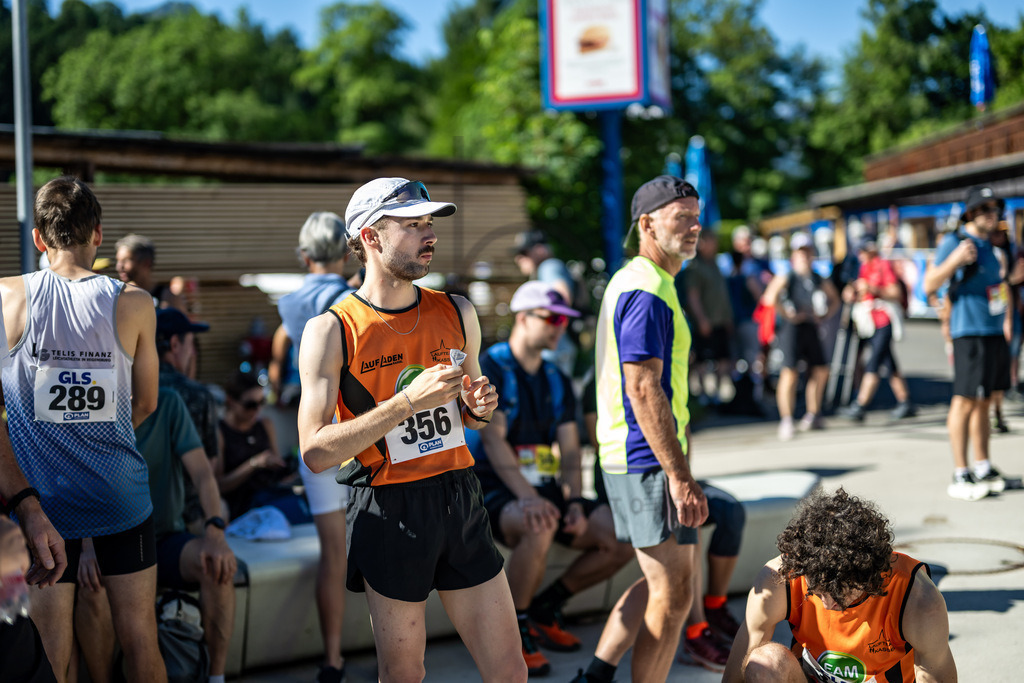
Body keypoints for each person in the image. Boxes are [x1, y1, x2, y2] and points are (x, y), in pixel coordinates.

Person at [296, 177, 525, 682]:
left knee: (511, 671)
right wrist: (405, 402)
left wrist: (479, 407)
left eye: (429, 223)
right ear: (371, 237)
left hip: (460, 495)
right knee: (404, 674)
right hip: (388, 506)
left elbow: (471, 413)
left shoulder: (457, 310)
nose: (430, 235)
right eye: (412, 225)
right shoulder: (332, 329)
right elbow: (314, 452)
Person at [0, 176, 165, 682]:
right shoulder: (134, 302)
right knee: (140, 639)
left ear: (37, 239)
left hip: (40, 504)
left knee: (52, 654)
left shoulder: (8, 296)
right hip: (120, 495)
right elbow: (147, 401)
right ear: (98, 234)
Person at [581, 175, 709, 683]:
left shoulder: (646, 279)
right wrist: (678, 475)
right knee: (673, 592)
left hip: (645, 455)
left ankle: (596, 672)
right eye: (682, 217)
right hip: (644, 458)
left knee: (669, 582)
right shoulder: (646, 288)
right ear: (647, 223)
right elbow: (642, 389)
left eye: (697, 216)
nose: (695, 226)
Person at [468, 281, 633, 675]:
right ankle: (514, 629)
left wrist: (574, 501)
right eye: (553, 318)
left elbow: (572, 451)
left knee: (623, 537)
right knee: (539, 524)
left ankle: (546, 607)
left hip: (542, 490)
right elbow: (493, 442)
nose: (561, 327)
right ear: (524, 318)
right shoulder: (490, 367)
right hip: (492, 490)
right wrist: (531, 499)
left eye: (565, 320)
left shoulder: (556, 378)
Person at [75, 386, 237, 683]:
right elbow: (80, 476)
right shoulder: (90, 399)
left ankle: (215, 677)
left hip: (163, 539)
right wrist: (87, 545)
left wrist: (215, 530)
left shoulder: (169, 401)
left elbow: (203, 473)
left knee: (218, 565)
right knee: (91, 586)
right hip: (110, 543)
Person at [722, 488, 957, 683]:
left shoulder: (918, 599)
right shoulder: (781, 578)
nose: (828, 604)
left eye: (840, 593)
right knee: (765, 662)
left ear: (870, 574)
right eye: (818, 592)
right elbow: (735, 678)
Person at [923, 185, 1010, 501]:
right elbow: (929, 284)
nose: (994, 215)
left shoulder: (991, 247)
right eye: (987, 209)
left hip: (992, 332)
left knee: (985, 400)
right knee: (964, 400)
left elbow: (997, 291)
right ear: (971, 213)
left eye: (996, 209)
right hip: (967, 332)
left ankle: (983, 466)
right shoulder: (955, 243)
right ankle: (961, 472)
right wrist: (955, 260)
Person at [268, 212, 353, 407]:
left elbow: (280, 344)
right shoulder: (355, 301)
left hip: (305, 400)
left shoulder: (288, 303)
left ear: (305, 257)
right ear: (347, 254)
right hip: (345, 403)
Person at [762, 232, 840, 441]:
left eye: (807, 251)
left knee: (821, 370)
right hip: (791, 328)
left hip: (810, 325)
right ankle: (786, 419)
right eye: (801, 252)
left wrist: (823, 315)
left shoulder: (815, 276)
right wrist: (787, 313)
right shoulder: (787, 275)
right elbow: (769, 297)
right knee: (790, 373)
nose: (805, 256)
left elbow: (834, 299)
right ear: (794, 255)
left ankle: (813, 413)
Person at [840, 238, 917, 421]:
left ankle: (860, 404)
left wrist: (872, 288)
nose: (860, 255)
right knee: (889, 363)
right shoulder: (864, 267)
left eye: (863, 251)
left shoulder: (883, 265)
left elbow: (895, 292)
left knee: (874, 362)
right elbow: (861, 293)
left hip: (884, 320)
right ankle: (905, 401)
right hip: (870, 322)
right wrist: (853, 293)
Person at [216, 371, 292, 518]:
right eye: (250, 405)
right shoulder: (220, 432)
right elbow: (219, 485)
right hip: (240, 507)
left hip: (269, 499)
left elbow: (277, 466)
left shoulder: (264, 424)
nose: (257, 410)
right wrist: (254, 463)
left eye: (261, 402)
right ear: (231, 401)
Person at [678, 230, 734, 405]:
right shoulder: (695, 267)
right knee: (702, 359)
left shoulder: (715, 264)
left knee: (722, 358)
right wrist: (701, 319)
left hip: (720, 320)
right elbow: (692, 296)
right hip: (706, 322)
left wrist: (728, 317)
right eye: (710, 241)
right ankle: (703, 395)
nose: (714, 245)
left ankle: (717, 393)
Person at [514, 229, 579, 376]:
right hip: (557, 348)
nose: (518, 259)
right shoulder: (550, 267)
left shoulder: (548, 266)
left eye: (524, 253)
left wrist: (539, 317)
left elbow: (562, 297)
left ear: (540, 250)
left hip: (554, 351)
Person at [115, 233, 188, 312]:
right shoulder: (120, 296)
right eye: (118, 261)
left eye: (126, 261)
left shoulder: (168, 298)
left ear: (146, 263)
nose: (119, 267)